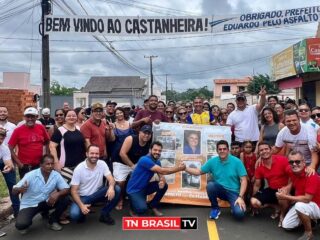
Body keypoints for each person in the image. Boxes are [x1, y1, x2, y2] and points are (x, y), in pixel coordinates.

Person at [185, 140, 247, 220]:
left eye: (224, 149)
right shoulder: (212, 161)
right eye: (220, 149)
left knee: (239, 214)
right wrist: (185, 168)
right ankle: (215, 208)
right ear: (217, 151)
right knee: (210, 185)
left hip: (234, 192)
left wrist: (240, 197)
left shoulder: (237, 162)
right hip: (220, 190)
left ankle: (234, 206)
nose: (222, 151)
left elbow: (244, 180)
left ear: (228, 150)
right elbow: (198, 172)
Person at [13, 154, 70, 233]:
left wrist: (57, 194)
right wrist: (20, 189)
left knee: (66, 198)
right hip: (31, 204)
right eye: (47, 164)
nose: (50, 166)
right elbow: (14, 191)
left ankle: (52, 220)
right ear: (41, 165)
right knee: (21, 225)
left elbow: (66, 188)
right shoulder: (30, 175)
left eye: (52, 164)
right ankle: (30, 218)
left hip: (47, 201)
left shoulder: (55, 174)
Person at [126, 141, 186, 216]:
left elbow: (161, 175)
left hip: (145, 187)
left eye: (159, 150)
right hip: (134, 190)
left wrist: (162, 181)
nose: (157, 152)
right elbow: (163, 171)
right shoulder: (144, 160)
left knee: (165, 186)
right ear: (150, 150)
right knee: (142, 209)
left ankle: (152, 206)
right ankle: (132, 205)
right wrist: (179, 168)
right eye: (155, 150)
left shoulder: (157, 162)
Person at [70, 145, 121, 225]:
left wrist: (111, 187)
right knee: (74, 215)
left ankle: (104, 214)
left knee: (117, 189)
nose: (94, 156)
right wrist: (81, 206)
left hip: (98, 193)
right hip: (84, 197)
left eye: (96, 154)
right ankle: (83, 211)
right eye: (92, 153)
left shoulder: (102, 163)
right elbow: (73, 191)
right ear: (87, 154)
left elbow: (111, 179)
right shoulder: (79, 169)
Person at [277, 150, 320, 240]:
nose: (294, 164)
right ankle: (311, 221)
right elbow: (292, 182)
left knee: (299, 205)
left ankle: (308, 233)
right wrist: (285, 189)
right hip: (305, 205)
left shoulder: (311, 175)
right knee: (287, 225)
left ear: (304, 162)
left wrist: (285, 197)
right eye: (291, 162)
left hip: (316, 206)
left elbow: (307, 199)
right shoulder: (292, 171)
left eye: (297, 161)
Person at [250, 142, 290, 227]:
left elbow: (292, 177)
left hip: (286, 189)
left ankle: (282, 215)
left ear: (271, 150)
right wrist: (253, 197)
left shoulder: (282, 160)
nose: (264, 151)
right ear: (259, 153)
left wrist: (287, 187)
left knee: (281, 195)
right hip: (272, 189)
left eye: (266, 149)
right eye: (261, 150)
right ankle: (276, 206)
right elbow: (257, 185)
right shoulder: (259, 165)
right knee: (254, 202)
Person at [115, 125, 152, 210]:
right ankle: (120, 199)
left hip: (136, 163)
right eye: (144, 133)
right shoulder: (130, 138)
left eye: (148, 133)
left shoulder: (149, 145)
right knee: (120, 182)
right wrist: (132, 166)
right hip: (121, 162)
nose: (146, 135)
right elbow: (122, 154)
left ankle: (136, 199)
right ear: (139, 132)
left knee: (141, 179)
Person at [9, 107, 50, 178]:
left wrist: (46, 156)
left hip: (39, 164)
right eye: (28, 116)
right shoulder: (18, 130)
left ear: (36, 117)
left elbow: (47, 141)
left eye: (32, 116)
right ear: (24, 117)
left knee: (39, 185)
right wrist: (19, 163)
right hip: (25, 166)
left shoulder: (41, 127)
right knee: (26, 187)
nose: (30, 119)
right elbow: (10, 147)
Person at [274, 110, 318, 175]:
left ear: (299, 119)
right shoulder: (283, 132)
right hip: (293, 162)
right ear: (284, 122)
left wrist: (312, 166)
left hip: (308, 162)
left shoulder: (309, 131)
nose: (291, 123)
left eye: (294, 120)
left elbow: (314, 153)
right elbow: (276, 148)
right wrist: (263, 156)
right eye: (288, 121)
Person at [50, 110, 86, 183]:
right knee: (66, 189)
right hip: (66, 166)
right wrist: (56, 163)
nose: (71, 117)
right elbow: (52, 146)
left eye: (73, 115)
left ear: (76, 117)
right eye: (69, 116)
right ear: (65, 118)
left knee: (77, 187)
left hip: (79, 165)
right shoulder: (60, 130)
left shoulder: (78, 129)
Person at [0, 127, 19, 217]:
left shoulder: (4, 148)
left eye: (2, 137)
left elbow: (9, 163)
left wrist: (8, 167)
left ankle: (17, 211)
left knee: (12, 184)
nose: (0, 139)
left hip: (1, 161)